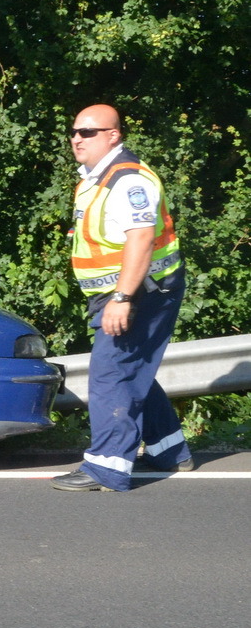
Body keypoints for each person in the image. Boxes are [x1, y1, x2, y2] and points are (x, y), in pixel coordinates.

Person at [51, 104, 193, 492]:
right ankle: (169, 450)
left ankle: (106, 467)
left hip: (141, 292)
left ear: (113, 135)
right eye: (74, 131)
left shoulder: (128, 181)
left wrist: (122, 297)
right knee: (132, 369)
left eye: (87, 132)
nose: (76, 138)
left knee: (111, 374)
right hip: (121, 292)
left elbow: (141, 240)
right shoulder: (95, 178)